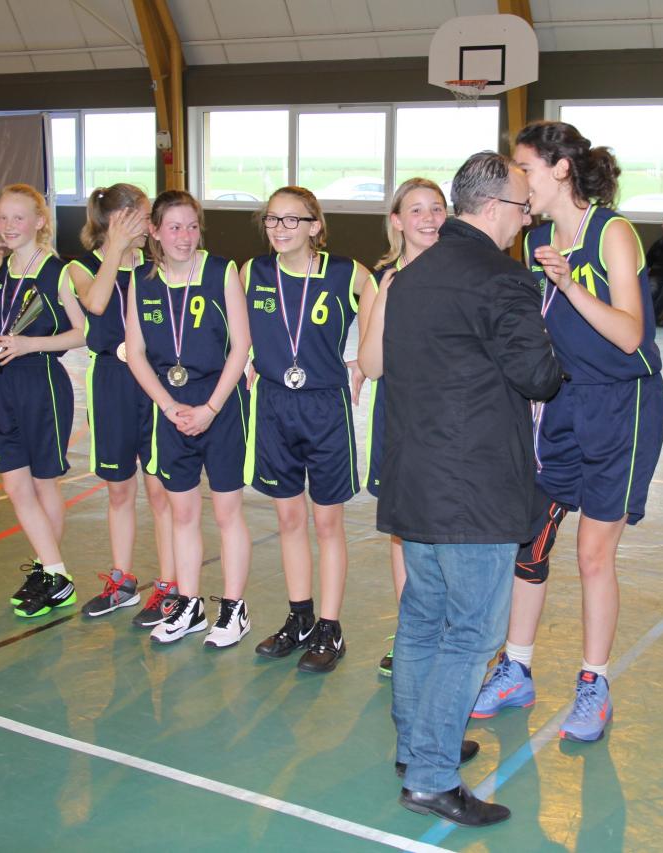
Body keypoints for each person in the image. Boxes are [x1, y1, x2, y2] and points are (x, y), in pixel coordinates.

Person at [382, 151, 563, 827]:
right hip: (474, 486)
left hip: (416, 477)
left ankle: (416, 744)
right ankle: (431, 776)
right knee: (471, 632)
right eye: (522, 207)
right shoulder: (501, 278)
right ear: (493, 209)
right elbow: (538, 374)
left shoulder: (412, 275)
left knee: (422, 620)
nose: (527, 217)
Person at [471, 121, 663, 745]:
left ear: (559, 170)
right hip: (561, 403)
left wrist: (568, 283)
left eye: (523, 167)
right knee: (531, 540)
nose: (516, 179)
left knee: (591, 555)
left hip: (621, 406)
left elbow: (632, 334)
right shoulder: (538, 239)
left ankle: (594, 683)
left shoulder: (613, 232)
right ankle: (517, 668)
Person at [243, 186, 375, 674]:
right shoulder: (252, 272)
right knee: (289, 521)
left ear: (316, 226)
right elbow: (236, 328)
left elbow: (383, 304)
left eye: (292, 220)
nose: (280, 229)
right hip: (275, 404)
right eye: (273, 220)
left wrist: (365, 359)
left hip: (324, 406)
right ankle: (299, 617)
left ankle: (329, 626)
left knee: (326, 523)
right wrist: (247, 360)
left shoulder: (346, 273)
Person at [124, 190, 253, 648]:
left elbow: (241, 347)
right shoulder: (141, 281)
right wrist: (165, 405)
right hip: (171, 408)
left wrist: (211, 408)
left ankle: (234, 610)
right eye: (174, 227)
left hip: (219, 403)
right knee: (181, 511)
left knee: (226, 510)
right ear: (155, 232)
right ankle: (190, 603)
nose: (184, 236)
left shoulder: (222, 273)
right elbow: (135, 353)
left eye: (192, 226)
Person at [0, 183, 86, 618]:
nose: (9, 226)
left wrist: (31, 344)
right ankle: (50, 569)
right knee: (14, 484)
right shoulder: (3, 270)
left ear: (39, 221)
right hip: (0, 387)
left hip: (41, 384)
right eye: (3, 218)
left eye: (18, 218)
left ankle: (52, 573)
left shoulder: (59, 271)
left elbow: (82, 332)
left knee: (42, 481)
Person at [66, 184, 178, 622]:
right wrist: (114, 247)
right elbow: (95, 302)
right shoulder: (79, 267)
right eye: (143, 216)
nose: (150, 225)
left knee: (160, 488)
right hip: (111, 382)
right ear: (120, 220)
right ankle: (122, 581)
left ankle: (169, 586)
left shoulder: (158, 266)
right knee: (119, 488)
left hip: (154, 381)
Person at [356, 177, 448, 676]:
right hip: (399, 419)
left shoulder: (462, 273)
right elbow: (371, 364)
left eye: (437, 208)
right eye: (416, 210)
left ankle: (455, 634)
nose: (429, 218)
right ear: (397, 222)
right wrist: (391, 291)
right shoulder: (384, 281)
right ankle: (411, 631)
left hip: (451, 422)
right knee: (403, 531)